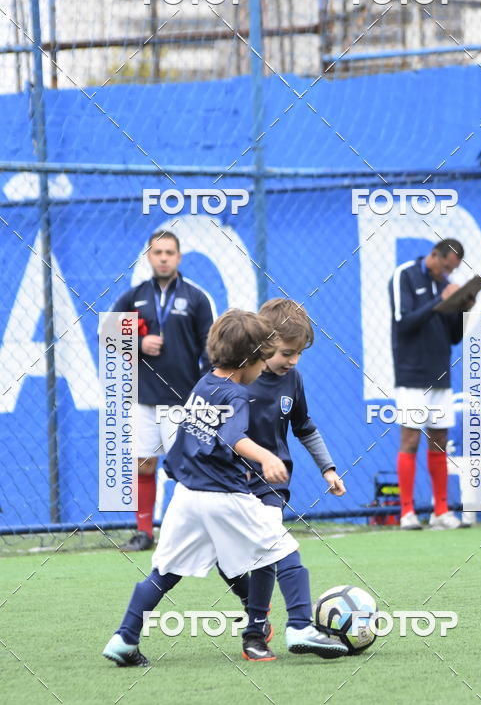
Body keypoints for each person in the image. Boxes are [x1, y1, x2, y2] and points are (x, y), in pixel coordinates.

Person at [102, 310, 304, 667]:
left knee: (163, 573)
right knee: (283, 549)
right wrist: (267, 458)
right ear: (248, 362)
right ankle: (302, 627)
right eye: (261, 360)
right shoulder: (238, 396)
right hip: (222, 496)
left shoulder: (203, 384)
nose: (263, 369)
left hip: (185, 497)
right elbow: (232, 435)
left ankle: (124, 638)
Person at [239, 298, 348, 661]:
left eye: (299, 353)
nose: (294, 361)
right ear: (264, 344)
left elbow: (305, 428)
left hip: (271, 490)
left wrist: (328, 469)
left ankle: (277, 631)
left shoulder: (294, 380)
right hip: (233, 488)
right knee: (252, 560)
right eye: (287, 352)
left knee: (273, 554)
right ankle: (127, 634)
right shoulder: (238, 380)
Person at [111, 230, 214, 552]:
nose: (164, 257)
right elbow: (107, 335)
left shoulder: (196, 298)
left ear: (179, 257)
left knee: (186, 468)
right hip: (143, 397)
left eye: (170, 252)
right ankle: (144, 532)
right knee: (144, 464)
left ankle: (192, 534)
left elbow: (210, 349)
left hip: (182, 398)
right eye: (158, 252)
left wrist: (203, 391)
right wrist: (139, 343)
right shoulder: (134, 296)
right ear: (149, 257)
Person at [389, 238, 470, 530]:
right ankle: (407, 513)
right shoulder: (405, 275)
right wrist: (440, 300)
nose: (446, 274)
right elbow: (404, 322)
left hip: (440, 374)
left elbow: (453, 337)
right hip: (411, 375)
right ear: (434, 255)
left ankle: (440, 512)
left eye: (452, 270)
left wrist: (462, 308)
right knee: (410, 440)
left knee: (440, 441)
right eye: (445, 267)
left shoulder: (445, 285)